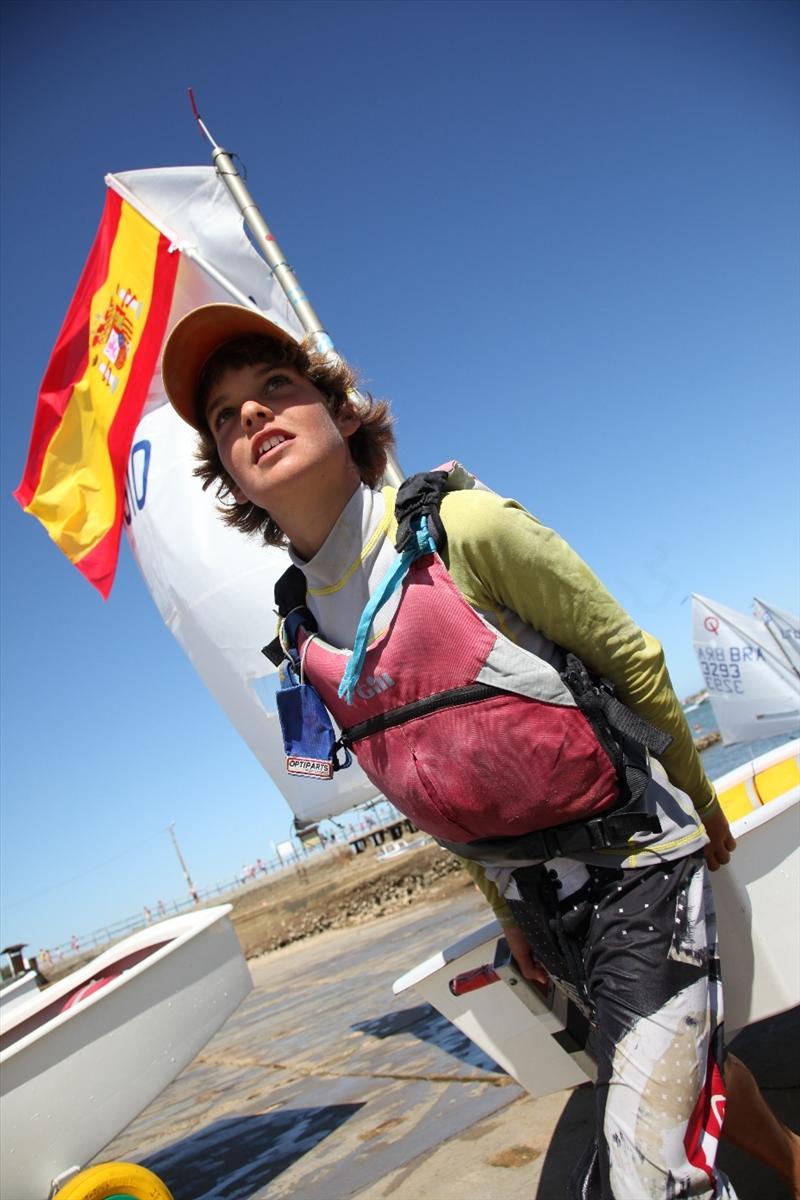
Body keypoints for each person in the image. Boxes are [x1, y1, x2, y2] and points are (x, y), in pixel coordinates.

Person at [161, 303, 799, 1199]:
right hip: (539, 903)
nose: (252, 416)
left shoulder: (463, 528)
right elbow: (429, 784)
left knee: (647, 1173)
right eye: (226, 417)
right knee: (681, 1077)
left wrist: (698, 797)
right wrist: (505, 911)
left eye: (275, 388)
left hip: (637, 863)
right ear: (228, 473)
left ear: (343, 413)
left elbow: (631, 657)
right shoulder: (298, 634)